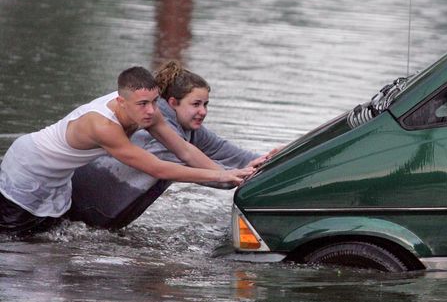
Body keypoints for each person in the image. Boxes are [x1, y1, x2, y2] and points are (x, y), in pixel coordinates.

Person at [0, 66, 254, 235]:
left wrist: (235, 173)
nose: (151, 111)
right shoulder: (103, 126)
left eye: (155, 102)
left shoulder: (146, 109)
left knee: (49, 238)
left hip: (59, 177)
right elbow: (157, 167)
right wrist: (221, 176)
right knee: (14, 241)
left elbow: (185, 150)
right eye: (143, 104)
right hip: (28, 168)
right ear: (121, 101)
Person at [67, 61, 276, 230]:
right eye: (196, 104)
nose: (203, 111)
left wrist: (274, 159)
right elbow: (220, 179)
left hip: (101, 217)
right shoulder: (159, 135)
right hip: (79, 209)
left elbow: (232, 155)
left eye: (205, 104)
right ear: (173, 103)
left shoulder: (188, 128)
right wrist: (237, 175)